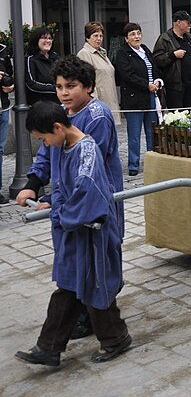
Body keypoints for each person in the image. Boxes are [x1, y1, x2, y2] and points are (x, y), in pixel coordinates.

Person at [16, 55, 125, 340]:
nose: (64, 92)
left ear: (88, 87)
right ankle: (90, 316)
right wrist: (32, 184)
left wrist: (56, 201)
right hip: (70, 203)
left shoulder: (97, 117)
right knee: (76, 261)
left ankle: (101, 320)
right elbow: (46, 155)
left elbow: (89, 169)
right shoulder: (58, 114)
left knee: (101, 260)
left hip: (95, 202)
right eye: (59, 86)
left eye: (71, 86)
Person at [115, 23, 163, 176]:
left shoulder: (146, 50)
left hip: (150, 96)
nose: (136, 37)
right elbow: (127, 75)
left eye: (138, 33)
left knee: (152, 132)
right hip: (134, 98)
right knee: (134, 135)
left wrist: (157, 81)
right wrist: (146, 85)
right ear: (126, 38)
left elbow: (155, 69)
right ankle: (133, 165)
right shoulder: (123, 53)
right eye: (132, 34)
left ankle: (152, 161)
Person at [153, 10, 191, 110]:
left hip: (190, 85)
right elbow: (157, 60)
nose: (190, 25)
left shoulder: (190, 38)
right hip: (174, 87)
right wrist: (173, 55)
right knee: (177, 117)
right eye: (188, 22)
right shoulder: (164, 38)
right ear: (178, 22)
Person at [77, 21, 121, 124]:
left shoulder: (102, 52)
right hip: (98, 104)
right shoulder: (84, 54)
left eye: (101, 36)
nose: (99, 39)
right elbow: (86, 81)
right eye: (95, 35)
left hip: (110, 101)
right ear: (87, 37)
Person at [25, 27, 59, 105]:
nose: (48, 41)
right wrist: (56, 88)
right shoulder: (30, 59)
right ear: (36, 40)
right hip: (41, 105)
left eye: (50, 38)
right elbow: (32, 84)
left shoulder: (55, 57)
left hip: (58, 103)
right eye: (44, 38)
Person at [0, 43, 14, 204]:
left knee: (0, 149)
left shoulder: (3, 50)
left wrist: (9, 86)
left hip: (2, 108)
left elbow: (10, 75)